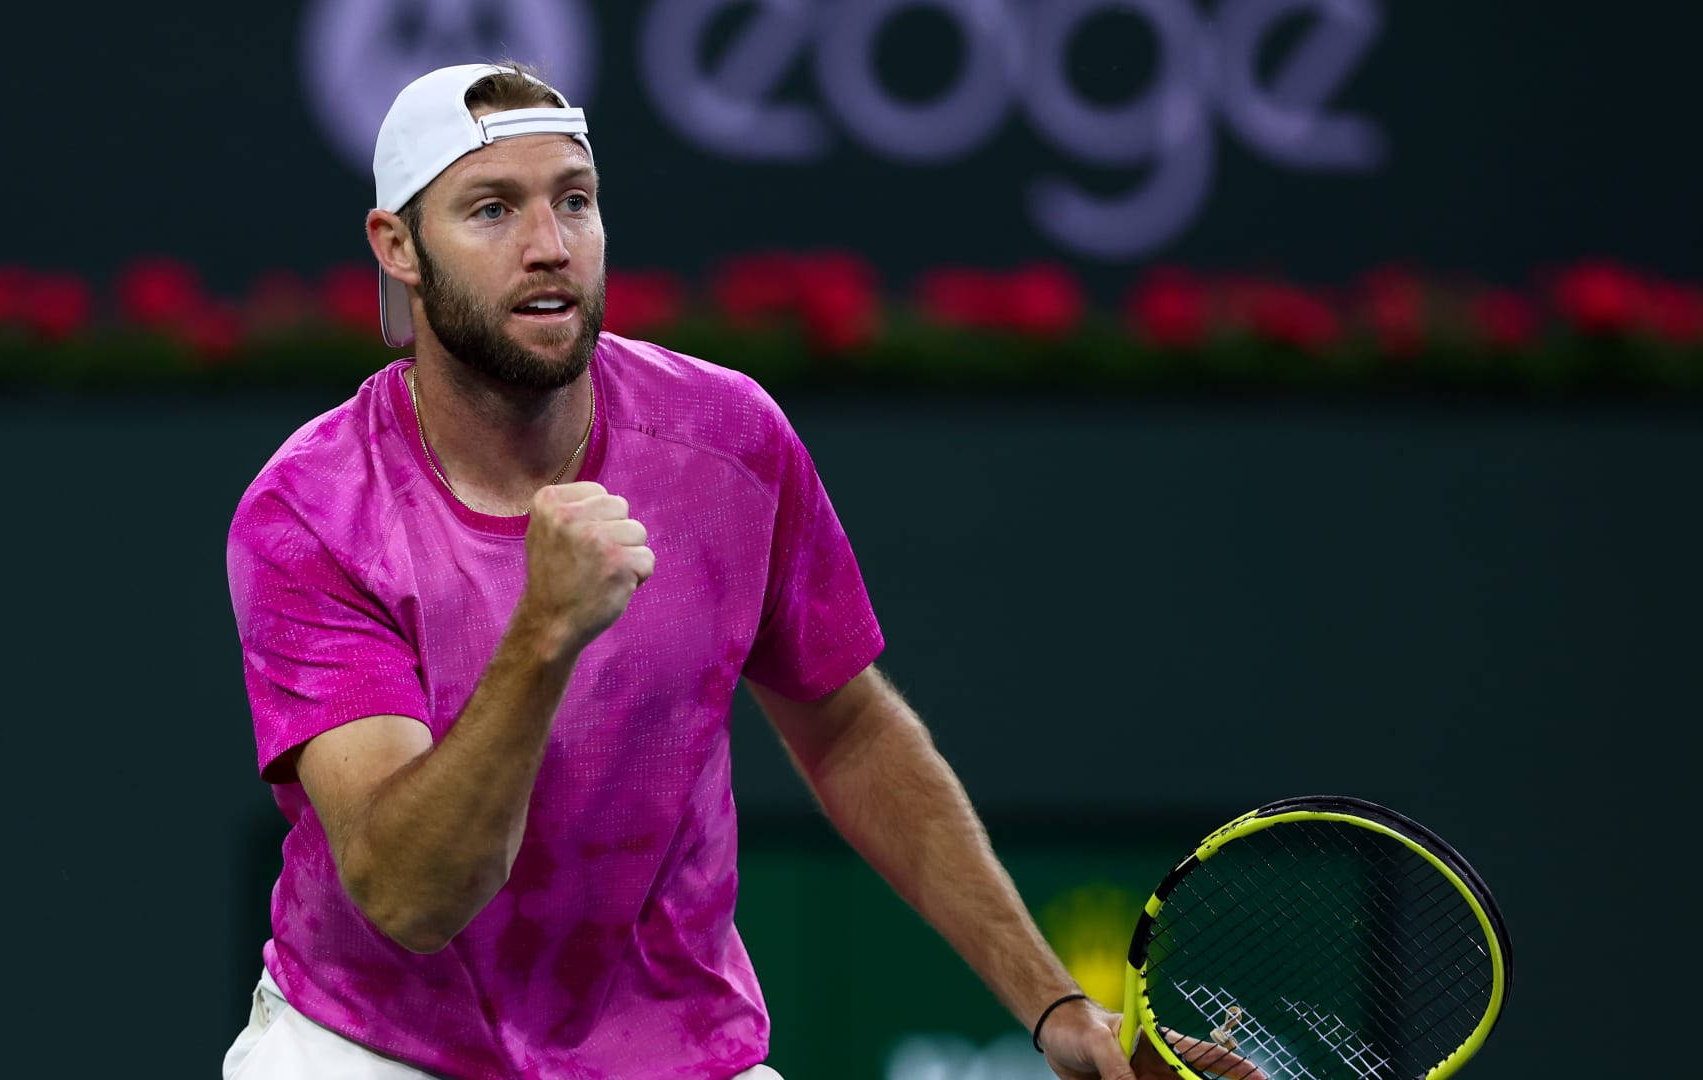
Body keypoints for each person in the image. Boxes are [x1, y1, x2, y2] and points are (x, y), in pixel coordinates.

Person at [222, 61, 1263, 1080]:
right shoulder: (312, 509)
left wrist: (1055, 1003)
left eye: (574, 203)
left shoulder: (728, 439)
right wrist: (544, 636)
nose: (550, 248)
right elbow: (410, 900)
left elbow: (850, 732)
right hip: (364, 1049)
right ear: (397, 245)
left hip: (670, 1049)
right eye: (491, 211)